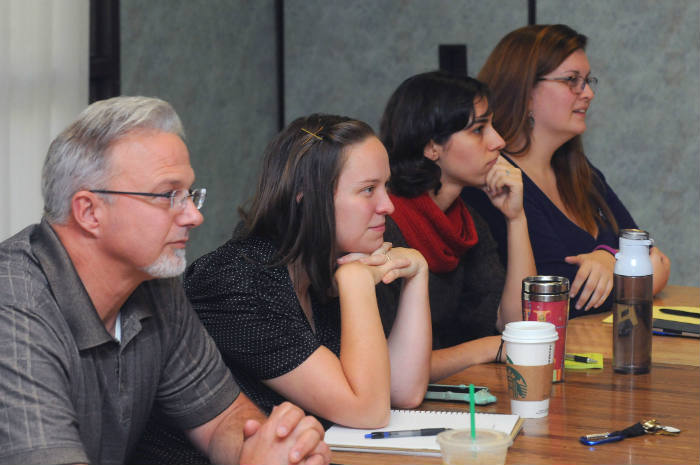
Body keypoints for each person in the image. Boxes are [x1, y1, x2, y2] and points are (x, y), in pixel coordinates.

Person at [0, 96, 329, 465]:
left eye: (190, 194)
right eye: (168, 195)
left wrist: (271, 446)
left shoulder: (155, 286)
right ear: (89, 211)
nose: (192, 216)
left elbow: (222, 418)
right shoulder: (14, 306)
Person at [131, 113, 432, 463]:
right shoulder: (234, 280)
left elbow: (402, 391)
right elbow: (367, 410)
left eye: (385, 186)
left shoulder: (324, 262)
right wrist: (355, 284)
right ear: (305, 195)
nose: (388, 206)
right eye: (368, 190)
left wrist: (418, 275)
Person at [462, 24, 671, 318]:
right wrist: (634, 275)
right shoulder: (497, 180)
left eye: (588, 81)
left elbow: (654, 257)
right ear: (526, 91)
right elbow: (560, 297)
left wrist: (609, 260)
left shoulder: (581, 171)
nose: (588, 94)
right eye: (572, 80)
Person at [376, 71, 537, 382]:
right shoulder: (385, 227)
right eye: (479, 129)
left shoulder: (464, 221)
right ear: (432, 146)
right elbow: (388, 369)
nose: (498, 141)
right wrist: (486, 348)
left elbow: (516, 324)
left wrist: (516, 219)